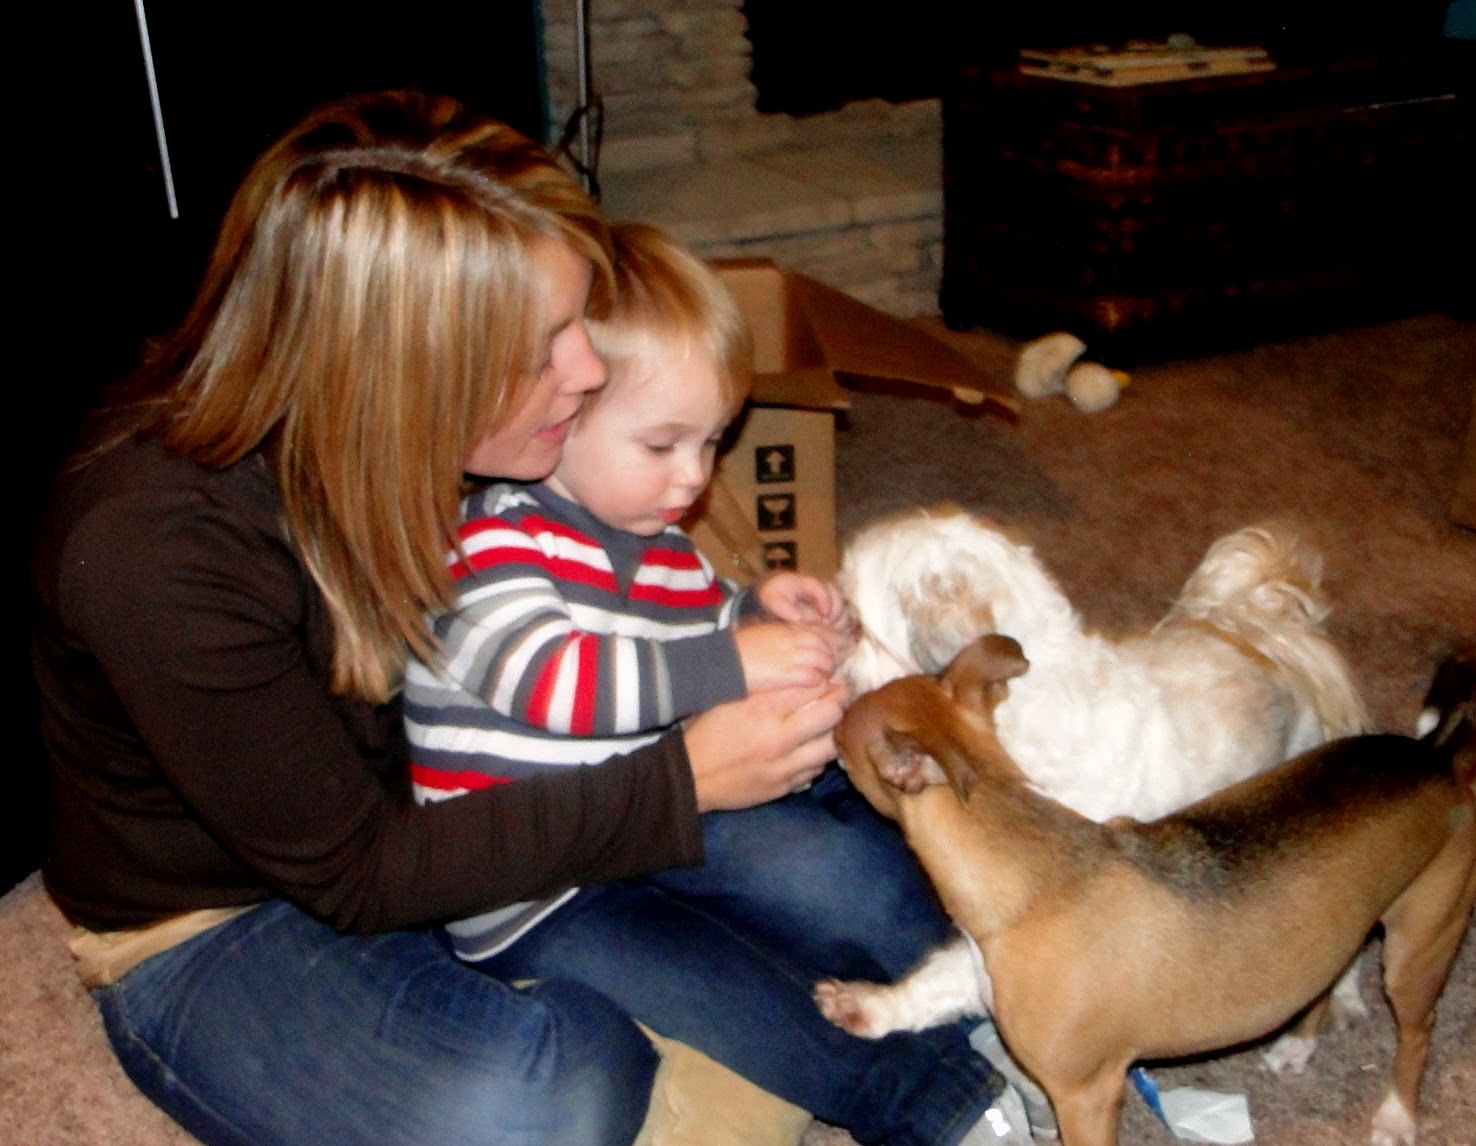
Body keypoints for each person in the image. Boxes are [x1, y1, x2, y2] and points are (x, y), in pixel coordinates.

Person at [30, 89, 1031, 1146]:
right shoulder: (152, 548)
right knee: (542, 1094)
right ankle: (710, 1045)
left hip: (501, 800)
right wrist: (682, 783)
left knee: (862, 877)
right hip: (232, 915)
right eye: (548, 342)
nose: (588, 372)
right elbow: (361, 871)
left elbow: (622, 593)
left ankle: (742, 1029)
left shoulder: (438, 439)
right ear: (411, 368)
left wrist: (741, 631)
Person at [407, 221, 855, 963]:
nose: (695, 475)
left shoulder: (665, 545)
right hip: (532, 898)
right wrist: (741, 660)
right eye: (661, 445)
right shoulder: (484, 539)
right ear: (560, 417)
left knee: (843, 871)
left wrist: (755, 609)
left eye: (712, 441)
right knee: (732, 991)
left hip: (659, 824)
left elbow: (700, 623)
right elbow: (557, 683)